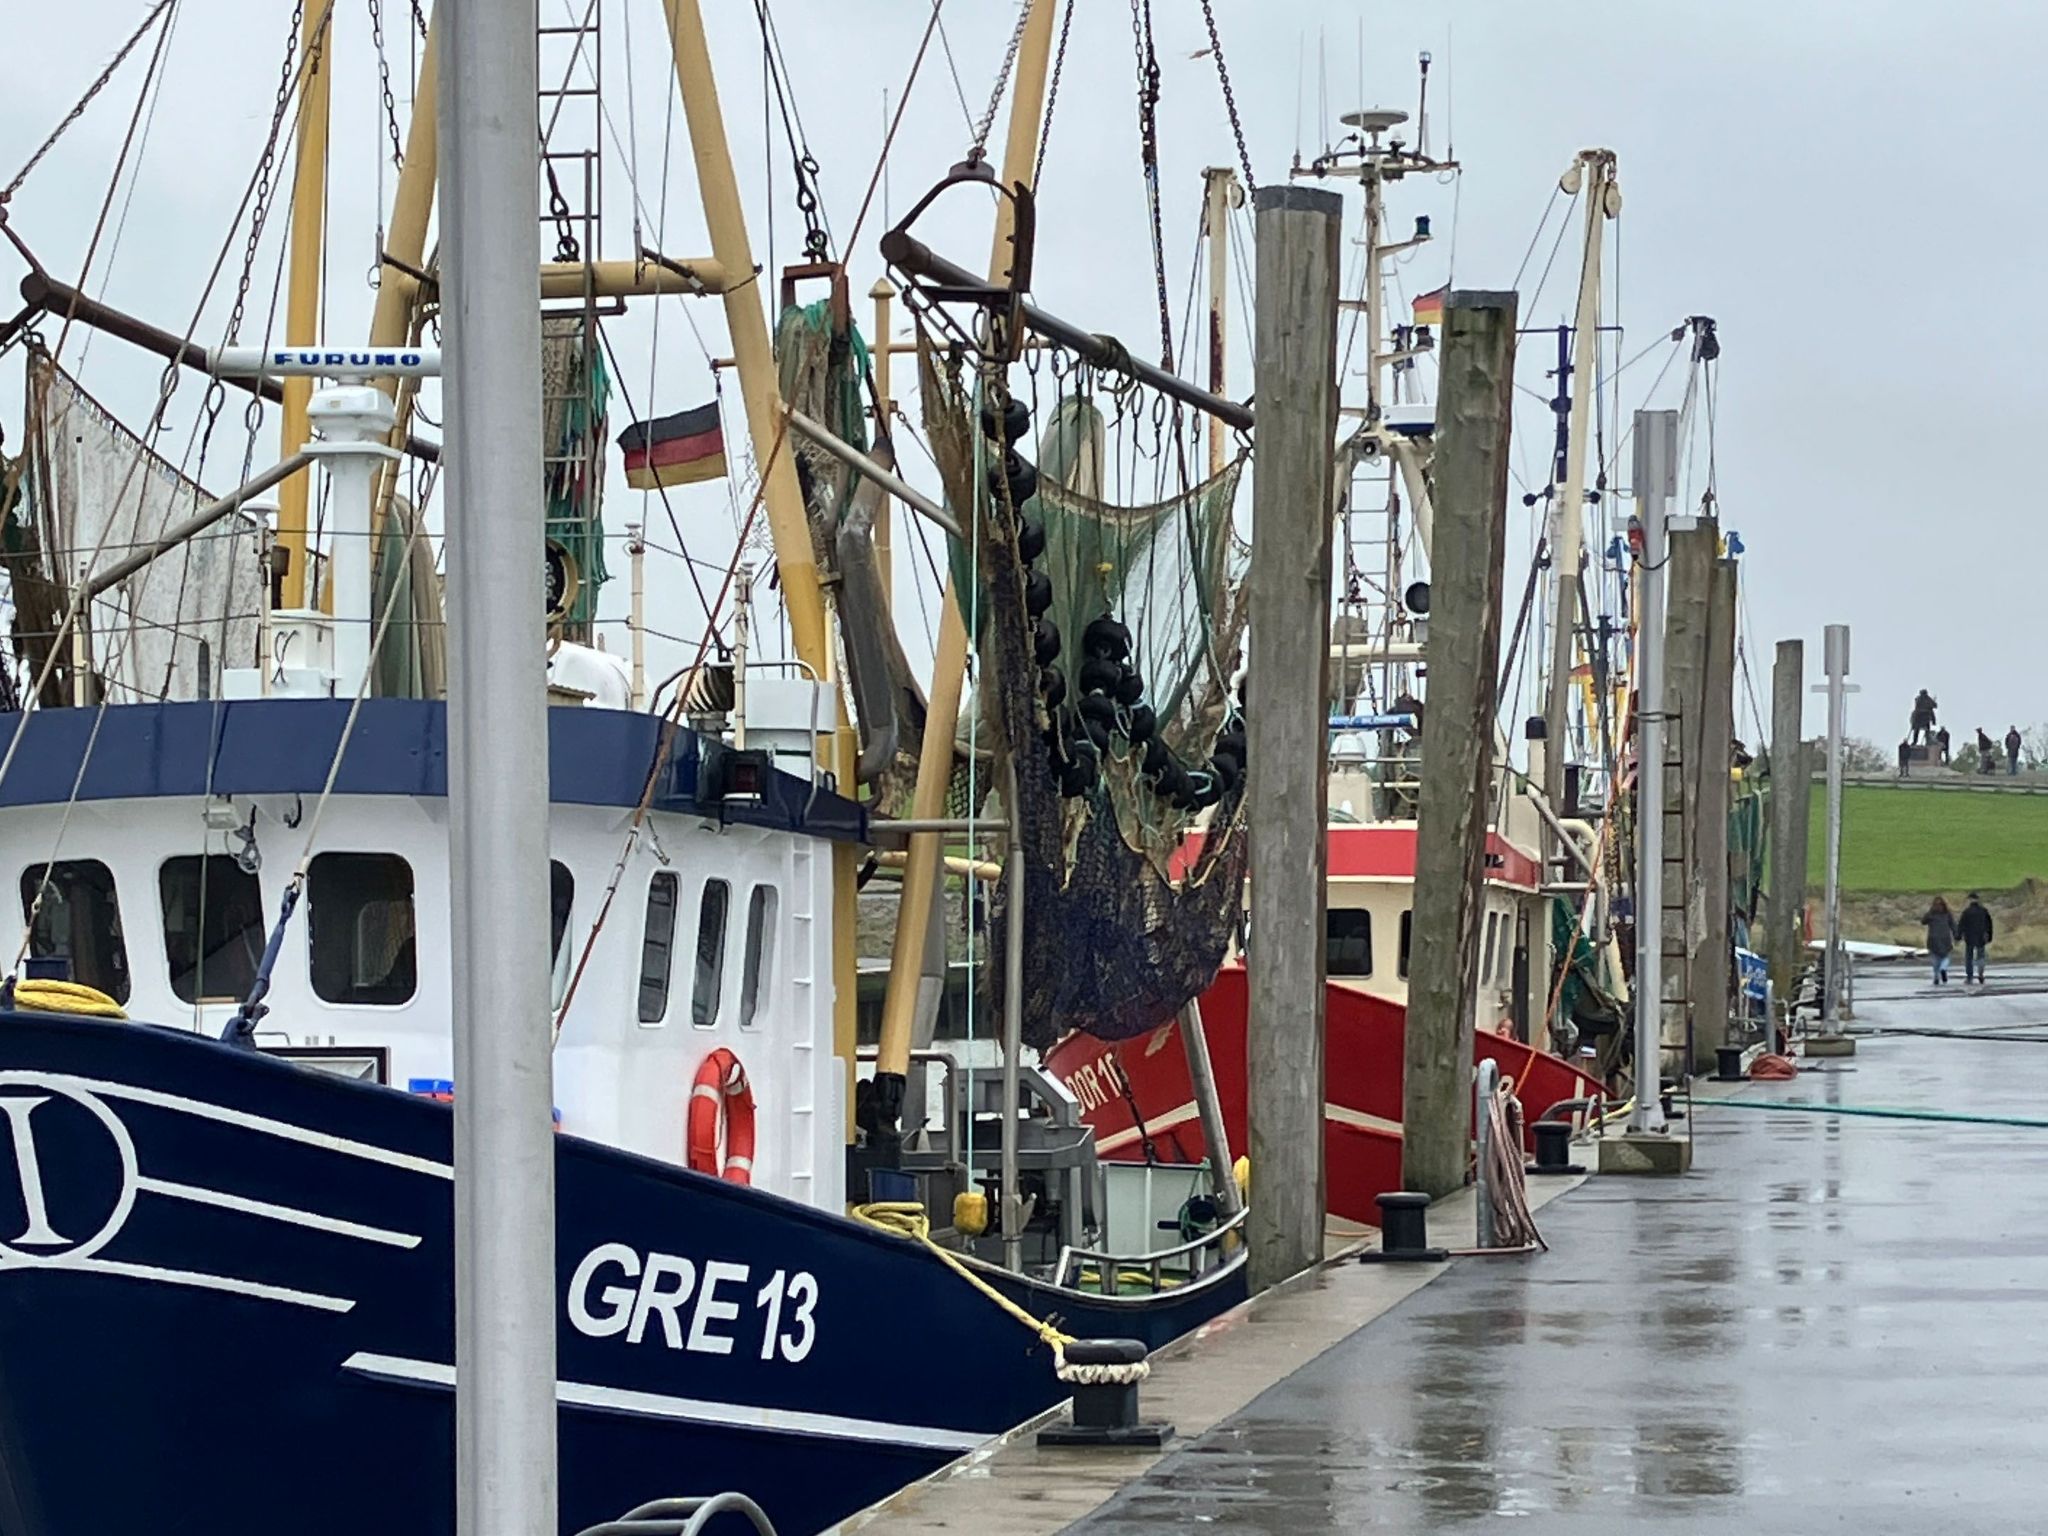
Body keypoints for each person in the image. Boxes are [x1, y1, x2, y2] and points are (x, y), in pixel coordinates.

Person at [1958, 892, 1994, 985]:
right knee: (1981, 956)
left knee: (1969, 957)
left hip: (1969, 937)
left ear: (1969, 900)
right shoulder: (1983, 911)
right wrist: (1989, 936)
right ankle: (1981, 973)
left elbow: (1961, 924)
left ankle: (1969, 976)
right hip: (1981, 937)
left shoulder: (1966, 912)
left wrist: (1958, 935)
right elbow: (1989, 924)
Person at [1921, 896, 1956, 985]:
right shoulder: (1947, 914)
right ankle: (1943, 968)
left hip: (1933, 938)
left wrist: (1930, 911)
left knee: (1935, 959)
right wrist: (1956, 935)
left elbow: (1923, 921)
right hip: (1945, 938)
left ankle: (1936, 975)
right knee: (1946, 956)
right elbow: (1953, 925)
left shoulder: (1931, 914)